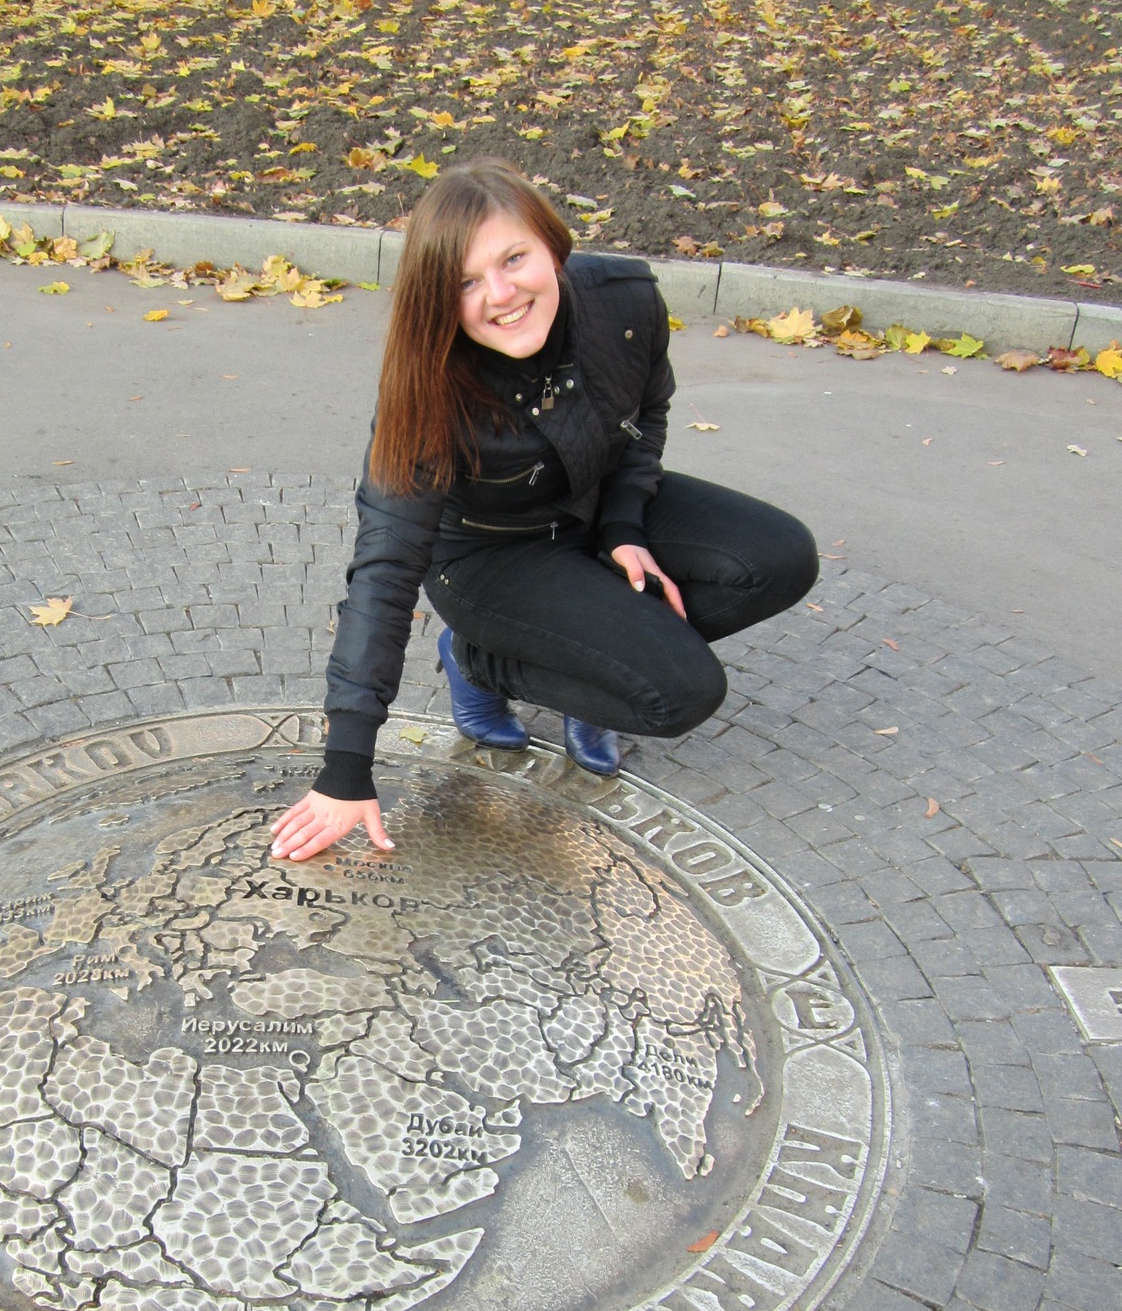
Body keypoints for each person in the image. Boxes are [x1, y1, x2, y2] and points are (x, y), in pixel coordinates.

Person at [270, 161, 819, 864]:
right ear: (437, 298)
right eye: (465, 283)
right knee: (680, 695)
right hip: (491, 557)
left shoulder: (624, 302)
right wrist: (346, 768)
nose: (500, 295)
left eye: (513, 259)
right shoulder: (425, 388)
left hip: (592, 506)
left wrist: (624, 527)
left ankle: (591, 662)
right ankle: (477, 659)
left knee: (780, 558)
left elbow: (647, 412)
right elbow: (383, 573)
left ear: (553, 246)